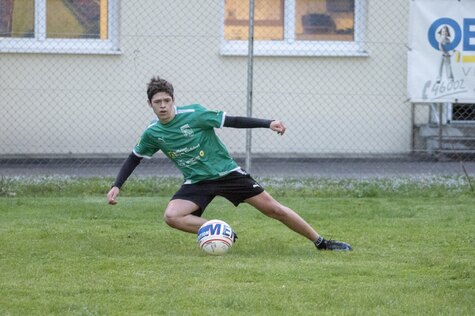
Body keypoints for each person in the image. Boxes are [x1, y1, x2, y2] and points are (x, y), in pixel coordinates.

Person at [106, 76, 352, 251]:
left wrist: (268, 123)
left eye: (166, 101)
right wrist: (118, 185)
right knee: (172, 216)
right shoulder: (153, 133)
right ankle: (222, 231)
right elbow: (134, 158)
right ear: (150, 104)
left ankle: (321, 242)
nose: (162, 106)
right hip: (197, 182)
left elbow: (232, 120)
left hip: (226, 173)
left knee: (273, 209)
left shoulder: (195, 114)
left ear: (173, 101)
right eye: (157, 102)